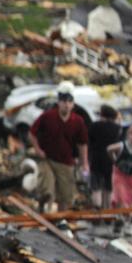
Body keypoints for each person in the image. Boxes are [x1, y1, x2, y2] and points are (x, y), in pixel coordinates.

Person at [29, 81, 89, 212]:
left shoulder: (78, 121)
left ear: (73, 104)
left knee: (66, 195)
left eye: (69, 102)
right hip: (47, 159)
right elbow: (32, 133)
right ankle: (42, 209)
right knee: (47, 190)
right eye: (63, 102)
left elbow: (82, 143)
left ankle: (61, 219)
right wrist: (37, 149)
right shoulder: (48, 116)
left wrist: (84, 163)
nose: (66, 105)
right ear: (59, 102)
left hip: (66, 162)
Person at [88, 104, 121, 209]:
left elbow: (89, 142)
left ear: (102, 114)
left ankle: (97, 211)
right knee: (109, 187)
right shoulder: (117, 128)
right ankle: (108, 212)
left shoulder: (94, 126)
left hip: (96, 159)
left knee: (96, 187)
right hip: (111, 160)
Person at [108, 124, 132, 209]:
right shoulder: (122, 145)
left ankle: (131, 213)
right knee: (120, 193)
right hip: (119, 173)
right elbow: (109, 149)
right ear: (128, 135)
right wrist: (114, 160)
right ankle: (120, 215)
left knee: (131, 194)